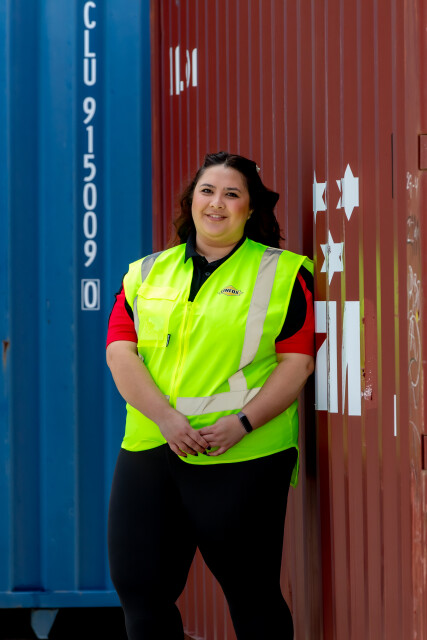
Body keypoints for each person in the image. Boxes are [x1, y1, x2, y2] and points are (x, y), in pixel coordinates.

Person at [106, 151, 315, 640]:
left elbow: (297, 363)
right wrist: (165, 419)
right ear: (191, 201)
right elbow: (120, 353)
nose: (216, 203)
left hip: (243, 453)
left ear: (250, 208)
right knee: (140, 591)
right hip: (153, 447)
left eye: (231, 194)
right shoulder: (145, 273)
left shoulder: (284, 273)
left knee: (252, 595)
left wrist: (242, 423)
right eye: (207, 191)